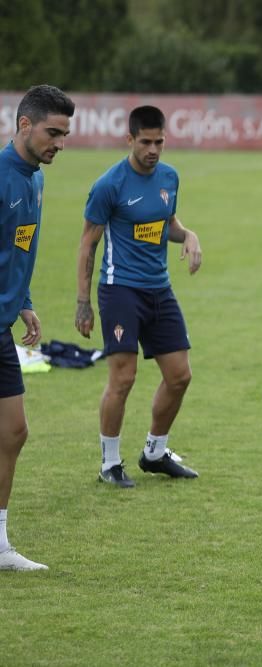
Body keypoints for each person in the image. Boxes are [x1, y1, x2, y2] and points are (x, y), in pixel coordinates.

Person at [75, 106, 202, 488]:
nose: (153, 149)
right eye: (145, 142)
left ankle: (155, 452)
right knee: (123, 378)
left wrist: (190, 235)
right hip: (120, 290)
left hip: (159, 289)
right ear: (129, 139)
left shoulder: (170, 177)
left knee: (179, 376)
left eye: (159, 141)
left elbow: (167, 224)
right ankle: (110, 463)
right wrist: (83, 302)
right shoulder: (109, 185)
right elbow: (87, 244)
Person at [0, 84, 75, 572]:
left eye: (65, 134)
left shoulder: (35, 178)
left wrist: (24, 301)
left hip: (3, 326)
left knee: (13, 430)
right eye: (53, 132)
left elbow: (17, 248)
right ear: (24, 125)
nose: (60, 143)